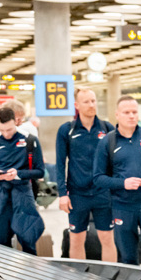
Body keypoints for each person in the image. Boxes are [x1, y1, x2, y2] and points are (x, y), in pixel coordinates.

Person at [93, 95, 141, 272]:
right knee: (128, 258)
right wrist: (123, 183)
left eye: (134, 112)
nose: (131, 116)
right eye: (126, 112)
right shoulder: (108, 141)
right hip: (123, 207)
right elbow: (98, 178)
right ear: (117, 115)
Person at [56, 87, 117, 261]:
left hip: (103, 193)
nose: (91, 105)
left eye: (93, 101)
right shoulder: (66, 130)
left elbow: (116, 162)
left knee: (107, 238)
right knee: (76, 240)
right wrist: (62, 194)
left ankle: (109, 277)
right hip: (77, 195)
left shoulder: (107, 128)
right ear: (77, 105)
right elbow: (60, 164)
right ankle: (78, 277)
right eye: (86, 102)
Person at [0, 106, 44, 254]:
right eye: (2, 130)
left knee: (28, 242)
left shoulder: (30, 141)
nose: (6, 134)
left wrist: (18, 174)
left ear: (16, 122)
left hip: (23, 196)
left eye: (9, 129)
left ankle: (30, 269)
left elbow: (40, 171)